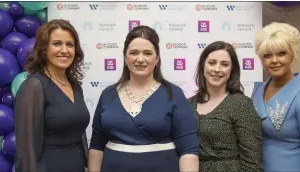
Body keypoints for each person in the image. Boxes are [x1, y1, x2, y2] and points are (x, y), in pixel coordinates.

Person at [88, 25, 199, 172]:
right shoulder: (107, 94)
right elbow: (96, 145)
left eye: (147, 53)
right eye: (134, 53)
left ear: (157, 59)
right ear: (125, 58)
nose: (140, 59)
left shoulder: (174, 94)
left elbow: (188, 149)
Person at [14, 19, 90, 172]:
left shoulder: (75, 86)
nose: (64, 50)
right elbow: (27, 151)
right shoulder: (34, 86)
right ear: (44, 49)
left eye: (70, 44)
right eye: (57, 44)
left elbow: (79, 133)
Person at [251, 22, 300, 172]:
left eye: (281, 53)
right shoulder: (257, 91)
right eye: (267, 55)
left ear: (292, 54)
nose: (274, 60)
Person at [188, 41, 263, 172]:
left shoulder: (241, 105)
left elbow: (252, 163)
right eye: (212, 63)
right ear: (203, 66)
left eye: (224, 64)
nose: (217, 69)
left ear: (231, 70)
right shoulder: (187, 105)